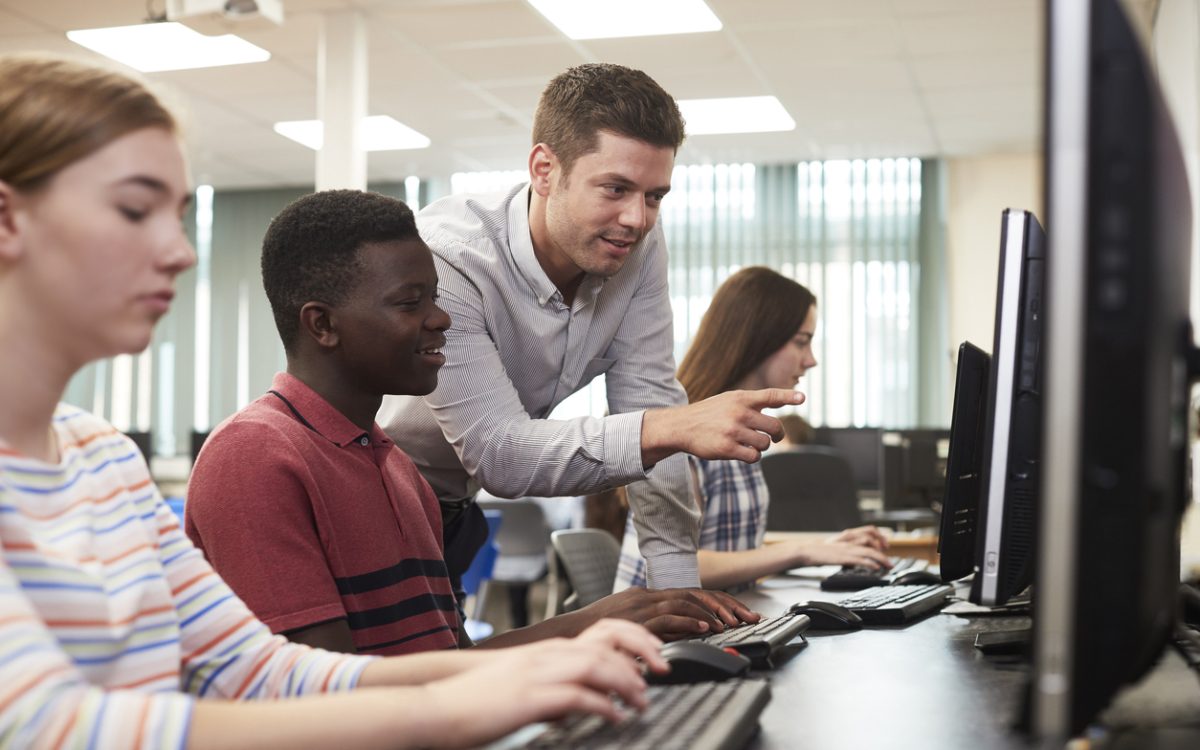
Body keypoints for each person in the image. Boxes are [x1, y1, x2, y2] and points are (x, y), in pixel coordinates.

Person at [0, 52, 666, 748]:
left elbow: (259, 671)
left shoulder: (103, 459)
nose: (181, 252)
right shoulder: (252, 453)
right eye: (135, 209)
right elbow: (52, 725)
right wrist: (459, 702)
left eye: (180, 215)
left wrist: (545, 661)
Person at [187, 189, 756, 651]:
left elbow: (451, 661)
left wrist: (603, 620)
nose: (442, 318)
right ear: (322, 325)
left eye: (436, 296)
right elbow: (328, 704)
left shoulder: (396, 468)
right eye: (412, 303)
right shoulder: (255, 457)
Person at [376, 62, 802, 601]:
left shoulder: (635, 244)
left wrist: (681, 600)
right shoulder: (449, 258)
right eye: (616, 188)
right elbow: (500, 454)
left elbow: (648, 395)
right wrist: (669, 427)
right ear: (544, 169)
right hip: (370, 503)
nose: (637, 218)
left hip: (454, 506)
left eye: (654, 196)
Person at [615, 267, 892, 592]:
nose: (811, 360)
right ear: (758, 340)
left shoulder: (741, 433)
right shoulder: (684, 434)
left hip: (716, 626)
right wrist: (801, 551)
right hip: (655, 635)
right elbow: (673, 566)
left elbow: (734, 555)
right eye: (801, 342)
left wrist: (829, 546)